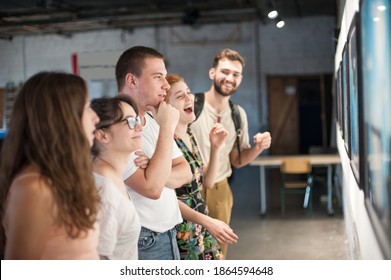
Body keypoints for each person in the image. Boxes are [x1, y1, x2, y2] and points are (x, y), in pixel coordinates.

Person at [115, 46, 238, 260]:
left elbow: (185, 172)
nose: (164, 85)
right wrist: (167, 127)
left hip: (168, 233)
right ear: (132, 81)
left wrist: (154, 169)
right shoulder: (120, 125)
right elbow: (152, 188)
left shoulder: (151, 124)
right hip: (145, 239)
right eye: (157, 77)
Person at [0, 71, 100, 259]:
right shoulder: (34, 187)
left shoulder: (63, 177)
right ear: (62, 119)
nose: (96, 117)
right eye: (88, 107)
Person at [190, 48, 272, 257]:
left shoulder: (238, 114)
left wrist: (258, 147)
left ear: (241, 79)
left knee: (217, 251)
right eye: (225, 72)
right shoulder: (191, 105)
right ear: (212, 73)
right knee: (188, 250)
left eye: (236, 74)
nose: (230, 78)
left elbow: (237, 160)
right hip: (188, 189)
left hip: (220, 190)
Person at [165, 73, 228, 260]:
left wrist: (215, 148)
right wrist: (207, 221)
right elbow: (166, 198)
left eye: (188, 92)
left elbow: (206, 183)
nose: (189, 98)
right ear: (165, 108)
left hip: (201, 226)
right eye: (179, 96)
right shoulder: (166, 142)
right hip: (183, 232)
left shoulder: (190, 134)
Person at [91, 94, 148, 259]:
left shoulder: (111, 177)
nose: (139, 127)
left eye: (137, 119)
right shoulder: (104, 192)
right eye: (130, 121)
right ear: (103, 135)